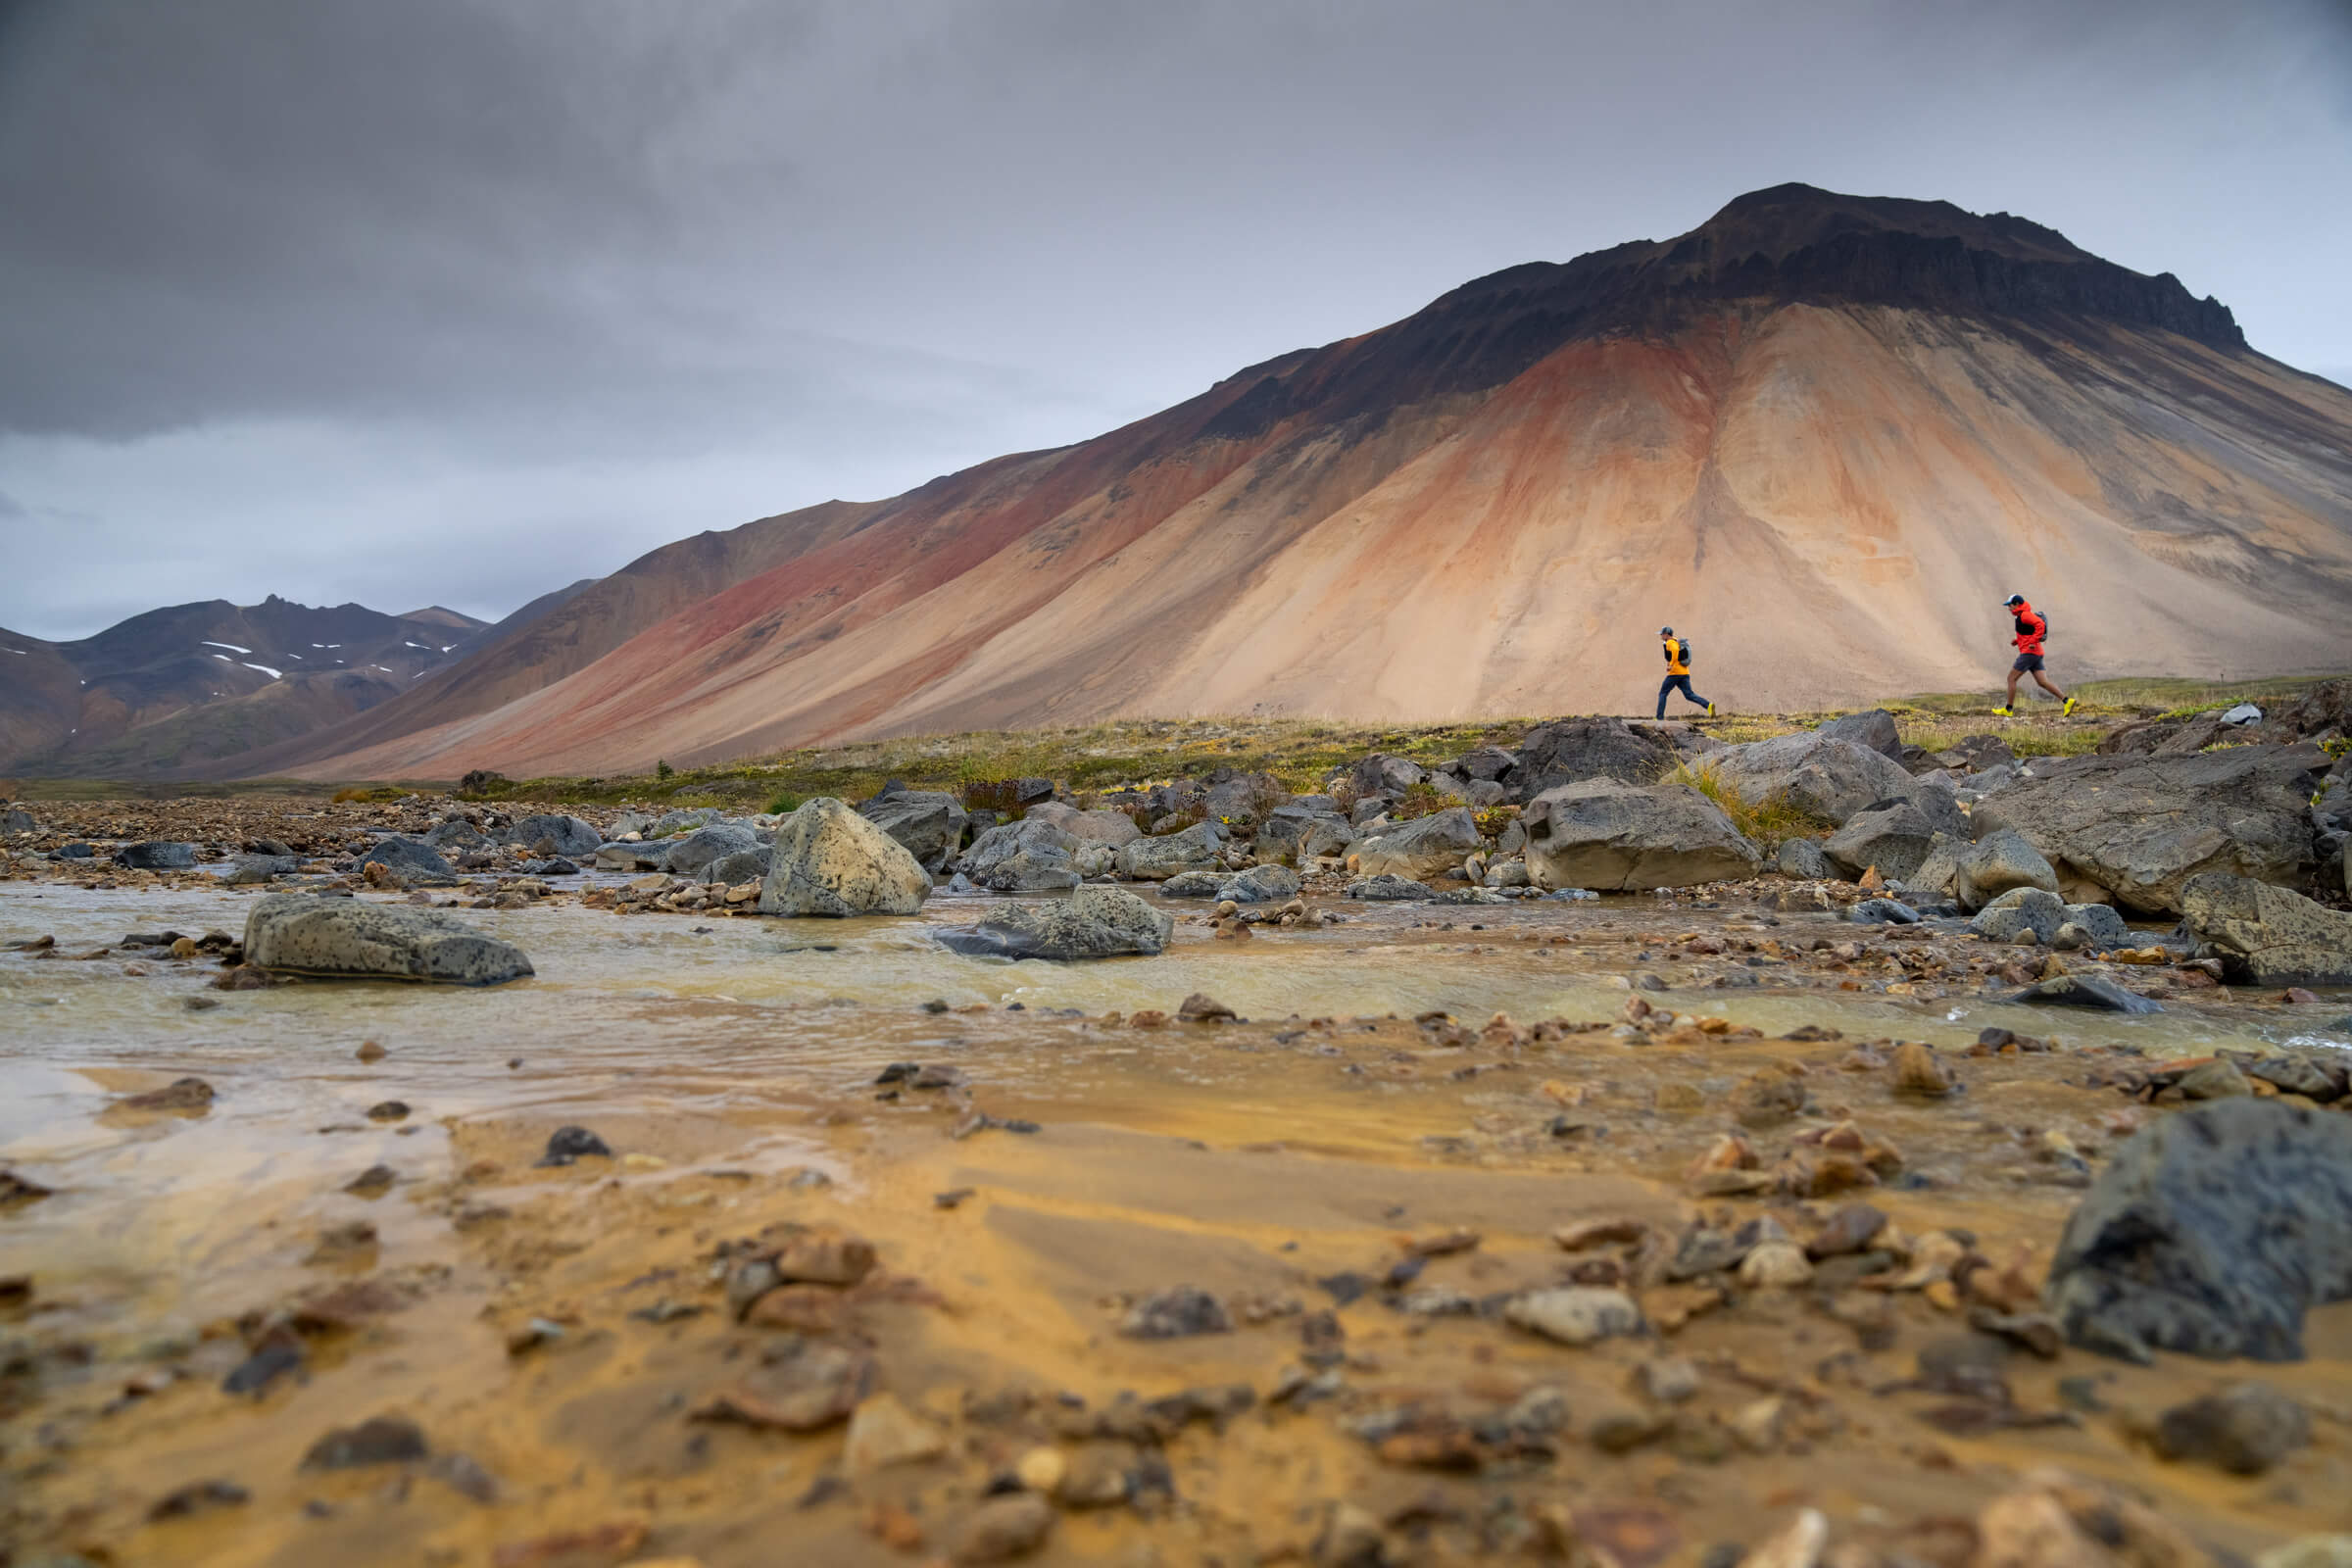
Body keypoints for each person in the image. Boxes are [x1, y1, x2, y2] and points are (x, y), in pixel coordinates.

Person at [1995, 593, 2076, 716]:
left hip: (2029, 653)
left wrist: (2032, 641)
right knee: (2042, 682)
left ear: (2017, 604)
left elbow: (2040, 625)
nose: (2008, 608)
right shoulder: (2021, 616)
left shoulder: (2025, 615)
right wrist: (2017, 641)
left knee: (2011, 679)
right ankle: (2067, 701)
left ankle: (2008, 709)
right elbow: (2028, 632)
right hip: (2036, 653)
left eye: (2010, 605)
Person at [1655, 626, 1716, 719]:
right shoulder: (1676, 641)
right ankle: (1708, 705)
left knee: (1663, 693)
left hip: (1675, 673)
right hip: (1685, 673)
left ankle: (1659, 718)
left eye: (1662, 634)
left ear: (1666, 635)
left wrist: (1671, 665)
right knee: (1689, 695)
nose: (1661, 635)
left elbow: (1675, 651)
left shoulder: (1670, 642)